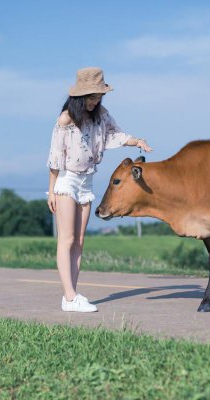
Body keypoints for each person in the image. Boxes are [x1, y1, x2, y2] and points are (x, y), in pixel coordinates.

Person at [46, 67, 152, 312]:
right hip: (67, 181)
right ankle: (70, 297)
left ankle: (71, 294)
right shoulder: (65, 120)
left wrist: (137, 141)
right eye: (92, 97)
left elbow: (115, 134)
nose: (95, 101)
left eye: (98, 96)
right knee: (67, 239)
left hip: (87, 181)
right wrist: (51, 191)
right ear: (79, 96)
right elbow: (55, 158)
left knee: (80, 241)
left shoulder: (100, 114)